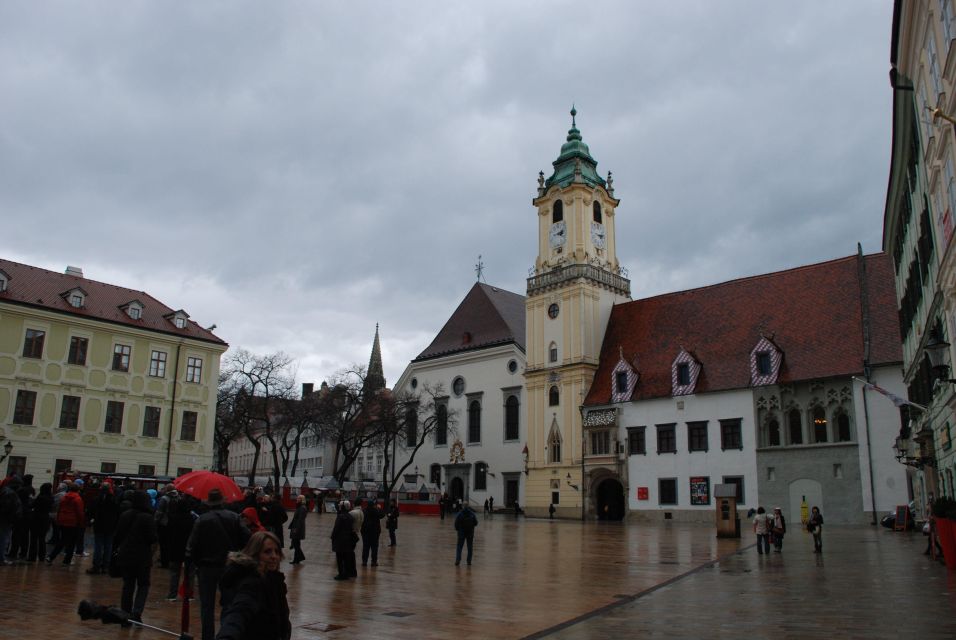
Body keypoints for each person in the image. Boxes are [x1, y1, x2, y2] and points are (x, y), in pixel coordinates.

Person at [186, 488, 251, 640]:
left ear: (209, 503)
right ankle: (226, 634)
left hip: (207, 567)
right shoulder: (235, 517)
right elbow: (248, 538)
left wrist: (195, 563)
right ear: (222, 502)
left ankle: (207, 636)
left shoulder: (201, 519)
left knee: (207, 606)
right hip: (230, 566)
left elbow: (191, 547)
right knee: (229, 603)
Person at [216, 531, 291, 640]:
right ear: (255, 554)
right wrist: (227, 636)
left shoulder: (274, 579)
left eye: (277, 551)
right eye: (267, 552)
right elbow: (239, 612)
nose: (274, 556)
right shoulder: (253, 583)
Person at [113, 490, 157, 624]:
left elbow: (118, 535)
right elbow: (152, 538)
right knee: (143, 584)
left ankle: (125, 613)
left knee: (128, 585)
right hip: (142, 556)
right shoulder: (148, 517)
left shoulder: (125, 515)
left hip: (125, 554)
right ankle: (136, 613)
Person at [165, 493, 196, 601]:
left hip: (175, 547)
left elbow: (168, 534)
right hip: (188, 549)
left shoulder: (173, 518)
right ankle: (188, 594)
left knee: (174, 572)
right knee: (189, 573)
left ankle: (172, 595)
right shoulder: (192, 519)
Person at [47, 482, 85, 565]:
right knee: (71, 542)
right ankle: (67, 560)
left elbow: (60, 509)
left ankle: (51, 556)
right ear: (77, 490)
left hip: (63, 521)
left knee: (62, 540)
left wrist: (59, 519)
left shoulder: (64, 497)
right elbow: (80, 512)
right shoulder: (78, 499)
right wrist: (81, 523)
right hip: (73, 522)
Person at [87, 483, 120, 575]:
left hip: (99, 525)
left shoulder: (96, 499)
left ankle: (96, 566)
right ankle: (105, 566)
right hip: (111, 526)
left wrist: (90, 521)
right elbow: (118, 514)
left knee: (98, 546)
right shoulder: (115, 500)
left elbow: (90, 512)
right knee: (108, 546)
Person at [27, 482, 53, 562]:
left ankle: (32, 557)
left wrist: (31, 499)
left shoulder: (40, 497)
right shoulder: (51, 497)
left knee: (34, 538)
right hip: (46, 519)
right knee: (42, 539)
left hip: (36, 518)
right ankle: (42, 556)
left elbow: (32, 505)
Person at [0, 476, 22, 565]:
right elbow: (7, 507)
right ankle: (1, 558)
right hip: (5, 520)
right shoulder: (10, 493)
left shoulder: (5, 490)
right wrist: (12, 517)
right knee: (3, 539)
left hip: (5, 519)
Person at [330, 501, 355, 580]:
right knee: (346, 558)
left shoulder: (340, 517)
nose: (339, 507)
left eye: (340, 506)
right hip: (348, 540)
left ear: (343, 507)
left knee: (339, 558)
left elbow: (336, 528)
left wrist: (332, 537)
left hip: (340, 540)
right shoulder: (350, 516)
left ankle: (341, 574)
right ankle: (346, 573)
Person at [360, 499, 384, 567]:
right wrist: (379, 508)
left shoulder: (364, 511)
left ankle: (364, 561)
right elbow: (382, 515)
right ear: (373, 505)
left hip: (365, 531)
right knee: (374, 547)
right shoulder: (376, 510)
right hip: (375, 532)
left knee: (365, 547)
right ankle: (374, 562)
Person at [288, 495, 307, 565]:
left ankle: (299, 558)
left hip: (297, 528)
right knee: (296, 545)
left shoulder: (302, 508)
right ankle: (297, 560)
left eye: (299, 498)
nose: (297, 499)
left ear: (302, 500)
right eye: (297, 498)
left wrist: (296, 529)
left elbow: (300, 520)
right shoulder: (300, 507)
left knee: (296, 545)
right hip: (295, 527)